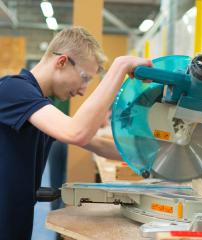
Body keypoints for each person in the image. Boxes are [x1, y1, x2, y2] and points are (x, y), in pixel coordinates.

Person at [0, 26, 152, 240]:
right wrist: (120, 67)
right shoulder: (13, 89)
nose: (83, 90)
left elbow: (94, 142)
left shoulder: (38, 104)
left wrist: (152, 154)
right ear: (61, 62)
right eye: (84, 78)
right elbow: (77, 132)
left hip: (15, 219)